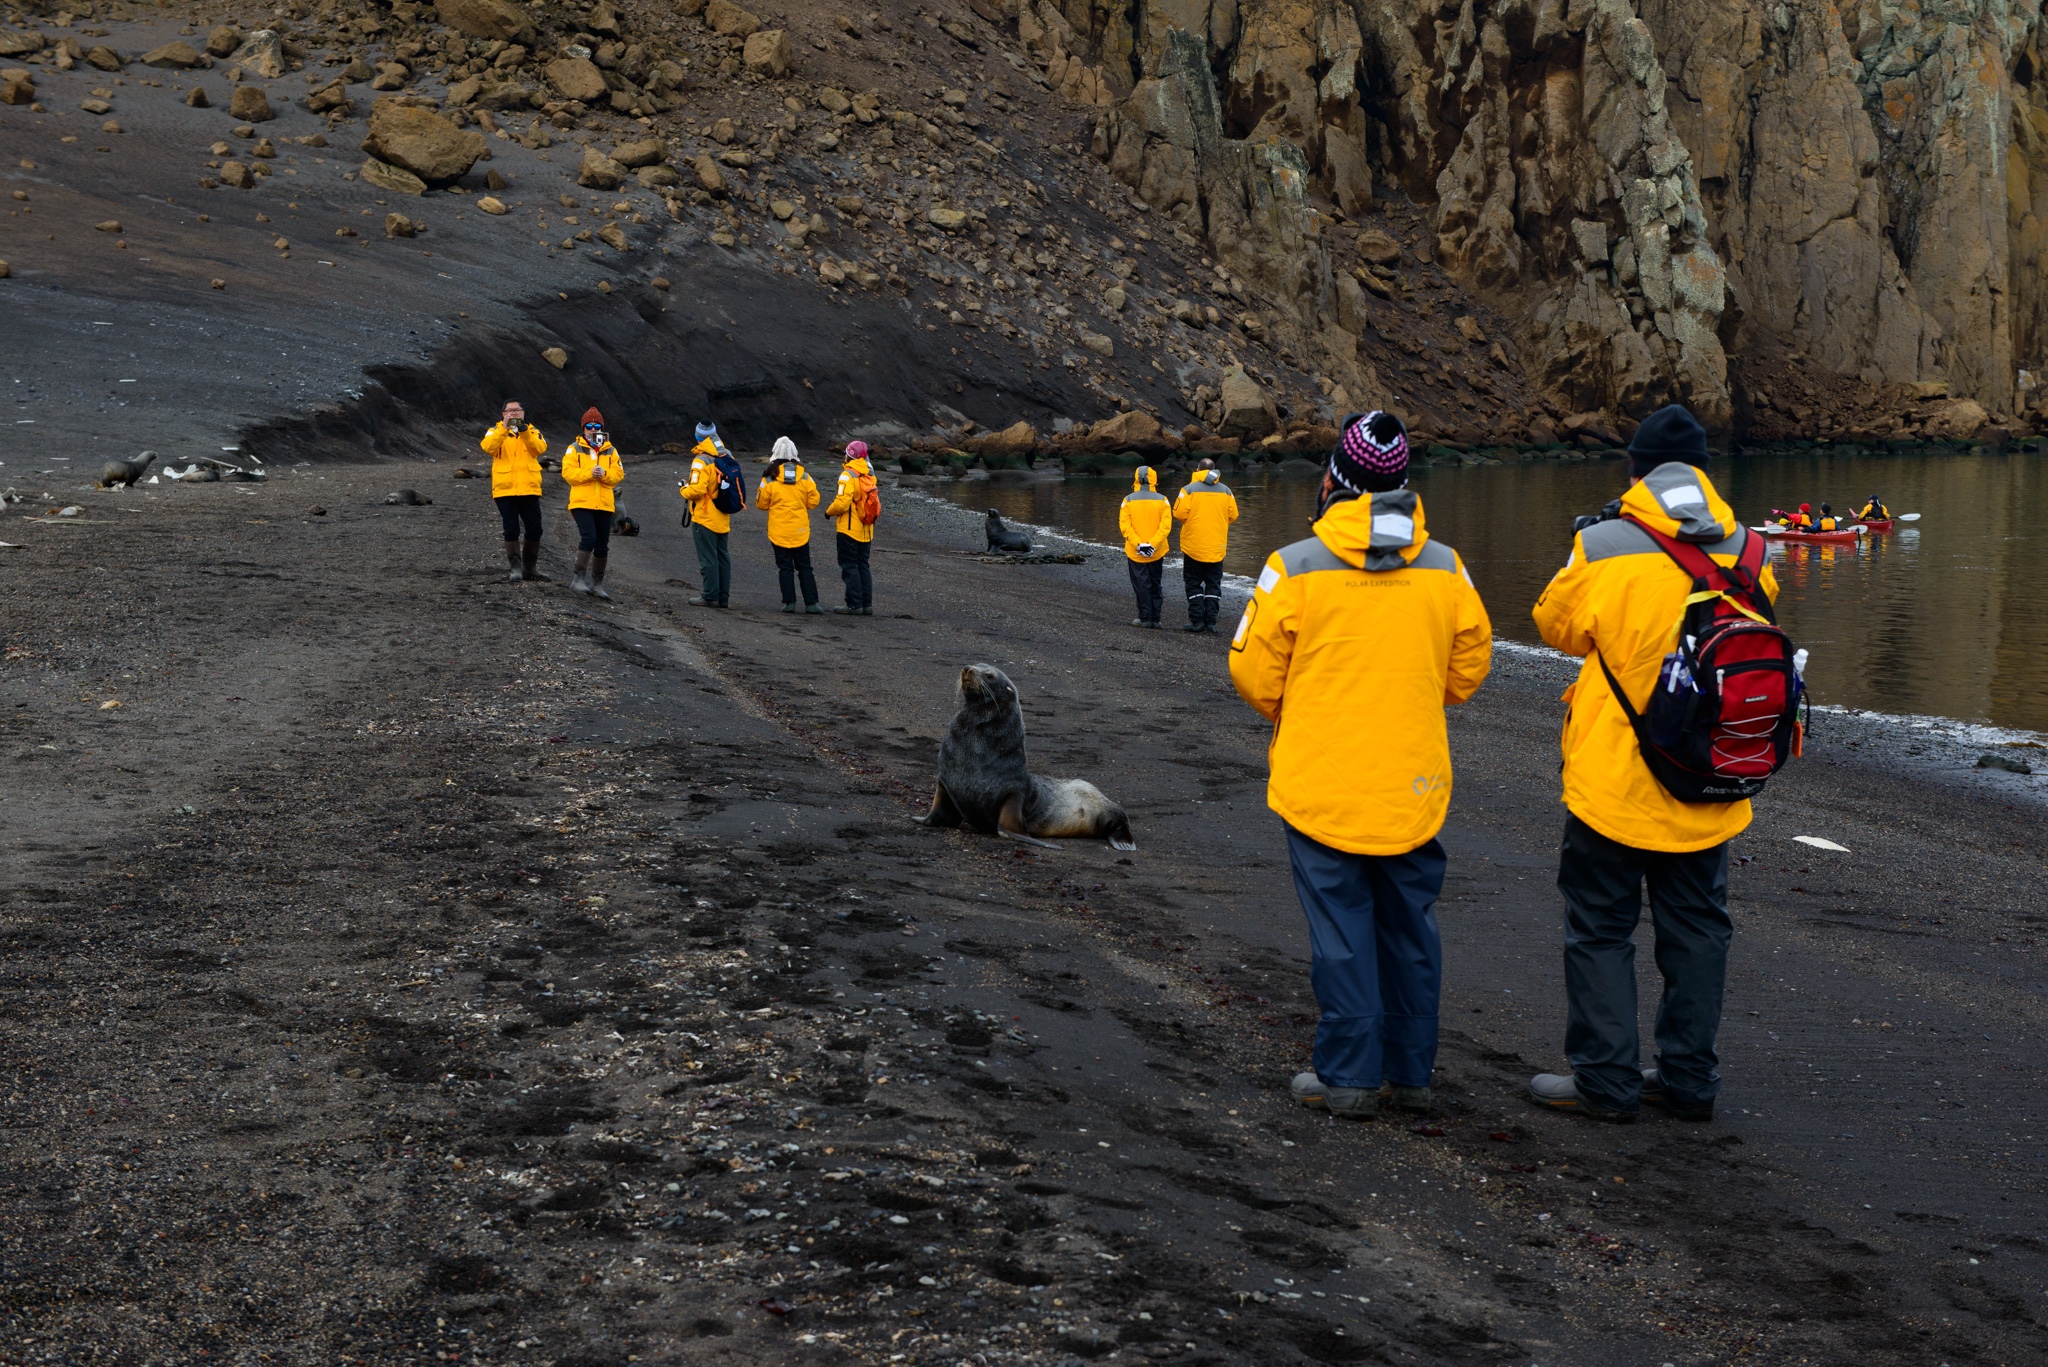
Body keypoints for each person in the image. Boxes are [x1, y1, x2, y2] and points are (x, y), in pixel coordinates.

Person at [1230, 411, 1493, 1120]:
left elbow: (1254, 677)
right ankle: (1410, 1073)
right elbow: (1469, 669)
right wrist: (1406, 686)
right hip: (1413, 784)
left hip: (1323, 784)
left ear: (1331, 485)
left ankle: (1348, 1075)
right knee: (1410, 930)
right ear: (1404, 487)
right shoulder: (1445, 567)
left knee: (1343, 933)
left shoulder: (1294, 566)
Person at [1528, 404, 1779, 1124]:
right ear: (1703, 472)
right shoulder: (1751, 549)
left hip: (1616, 780)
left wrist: (1584, 546)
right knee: (1699, 930)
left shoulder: (1605, 544)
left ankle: (1605, 1081)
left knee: (1601, 928)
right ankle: (1689, 1079)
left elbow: (1553, 623)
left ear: (1634, 471)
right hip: (1711, 777)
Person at [480, 400, 549, 582]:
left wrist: (524, 432)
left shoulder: (533, 431)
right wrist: (504, 429)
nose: (514, 413)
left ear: (523, 413)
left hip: (529, 488)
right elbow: (488, 447)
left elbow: (539, 449)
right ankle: (516, 569)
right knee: (511, 530)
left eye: (517, 410)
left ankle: (530, 568)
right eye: (510, 410)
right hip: (505, 488)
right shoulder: (494, 431)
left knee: (535, 529)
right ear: (503, 413)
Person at [561, 407, 624, 600]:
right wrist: (589, 474)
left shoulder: (611, 450)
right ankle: (578, 579)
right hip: (582, 502)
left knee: (602, 544)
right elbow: (568, 473)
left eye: (597, 426)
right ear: (583, 428)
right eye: (590, 426)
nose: (594, 429)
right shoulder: (574, 448)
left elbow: (619, 474)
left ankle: (597, 584)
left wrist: (603, 474)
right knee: (588, 537)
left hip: (604, 503)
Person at [1172, 458, 1239, 632]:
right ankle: (1211, 622)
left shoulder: (1187, 490)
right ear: (1214, 471)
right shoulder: (1226, 491)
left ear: (1197, 469)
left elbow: (1179, 514)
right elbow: (1233, 515)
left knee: (1193, 583)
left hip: (1193, 546)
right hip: (1216, 546)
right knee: (1213, 584)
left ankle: (1197, 621)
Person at [758, 436, 823, 613]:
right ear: (794, 453)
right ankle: (811, 603)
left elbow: (762, 504)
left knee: (785, 567)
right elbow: (814, 501)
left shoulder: (769, 478)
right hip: (800, 530)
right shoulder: (805, 477)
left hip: (778, 530)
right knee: (805, 567)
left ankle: (789, 603)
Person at [680, 422, 742, 608]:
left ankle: (709, 595)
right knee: (722, 556)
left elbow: (697, 490)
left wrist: (684, 489)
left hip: (705, 517)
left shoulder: (701, 460)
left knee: (708, 558)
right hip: (723, 515)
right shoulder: (727, 455)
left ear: (698, 437)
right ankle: (723, 597)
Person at [824, 440, 878, 615]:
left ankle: (854, 604)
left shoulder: (848, 475)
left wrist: (828, 512)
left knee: (849, 566)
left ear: (849, 455)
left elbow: (842, 503)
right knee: (863, 565)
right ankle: (866, 604)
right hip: (867, 529)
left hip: (849, 529)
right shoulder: (870, 473)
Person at [1119, 465, 1173, 628]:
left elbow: (1125, 526)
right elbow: (1165, 526)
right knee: (1155, 583)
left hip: (1136, 552)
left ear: (1136, 479)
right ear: (1154, 479)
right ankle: (1155, 619)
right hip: (1156, 551)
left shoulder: (1127, 500)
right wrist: (1152, 544)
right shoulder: (1163, 500)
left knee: (1141, 585)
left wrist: (1139, 545)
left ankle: (1145, 618)